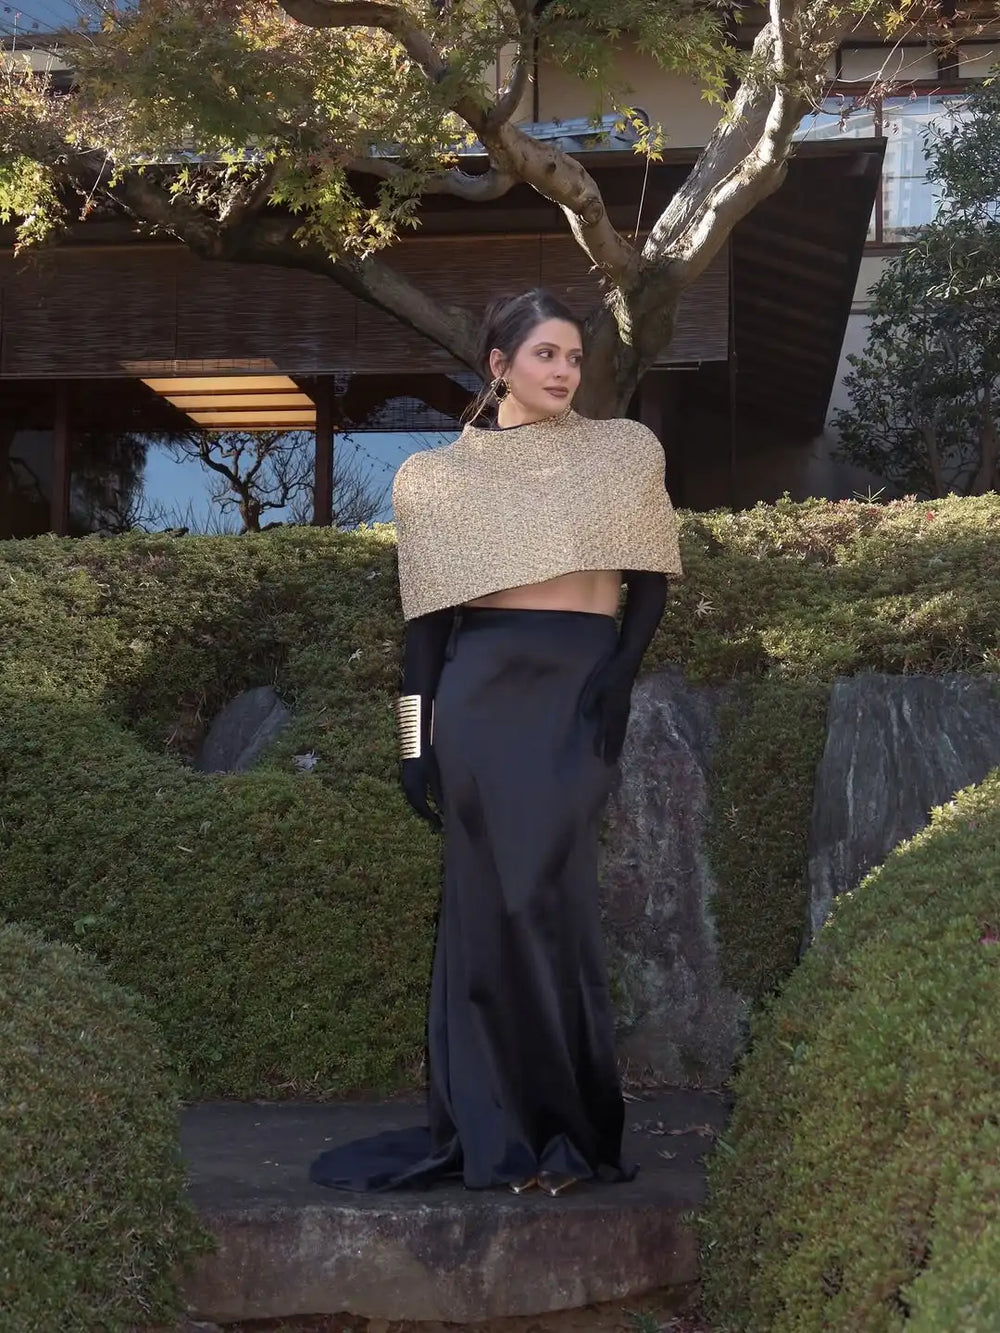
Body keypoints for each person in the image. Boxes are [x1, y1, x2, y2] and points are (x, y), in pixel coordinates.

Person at [310, 289, 683, 1196]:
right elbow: (426, 638)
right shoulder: (436, 479)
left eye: (572, 356)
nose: (565, 370)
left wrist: (619, 677)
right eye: (546, 354)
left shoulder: (623, 450)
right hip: (478, 702)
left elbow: (650, 589)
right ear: (499, 365)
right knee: (487, 908)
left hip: (578, 691)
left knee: (543, 902)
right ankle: (497, 1132)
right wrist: (413, 743)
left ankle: (569, 1129)